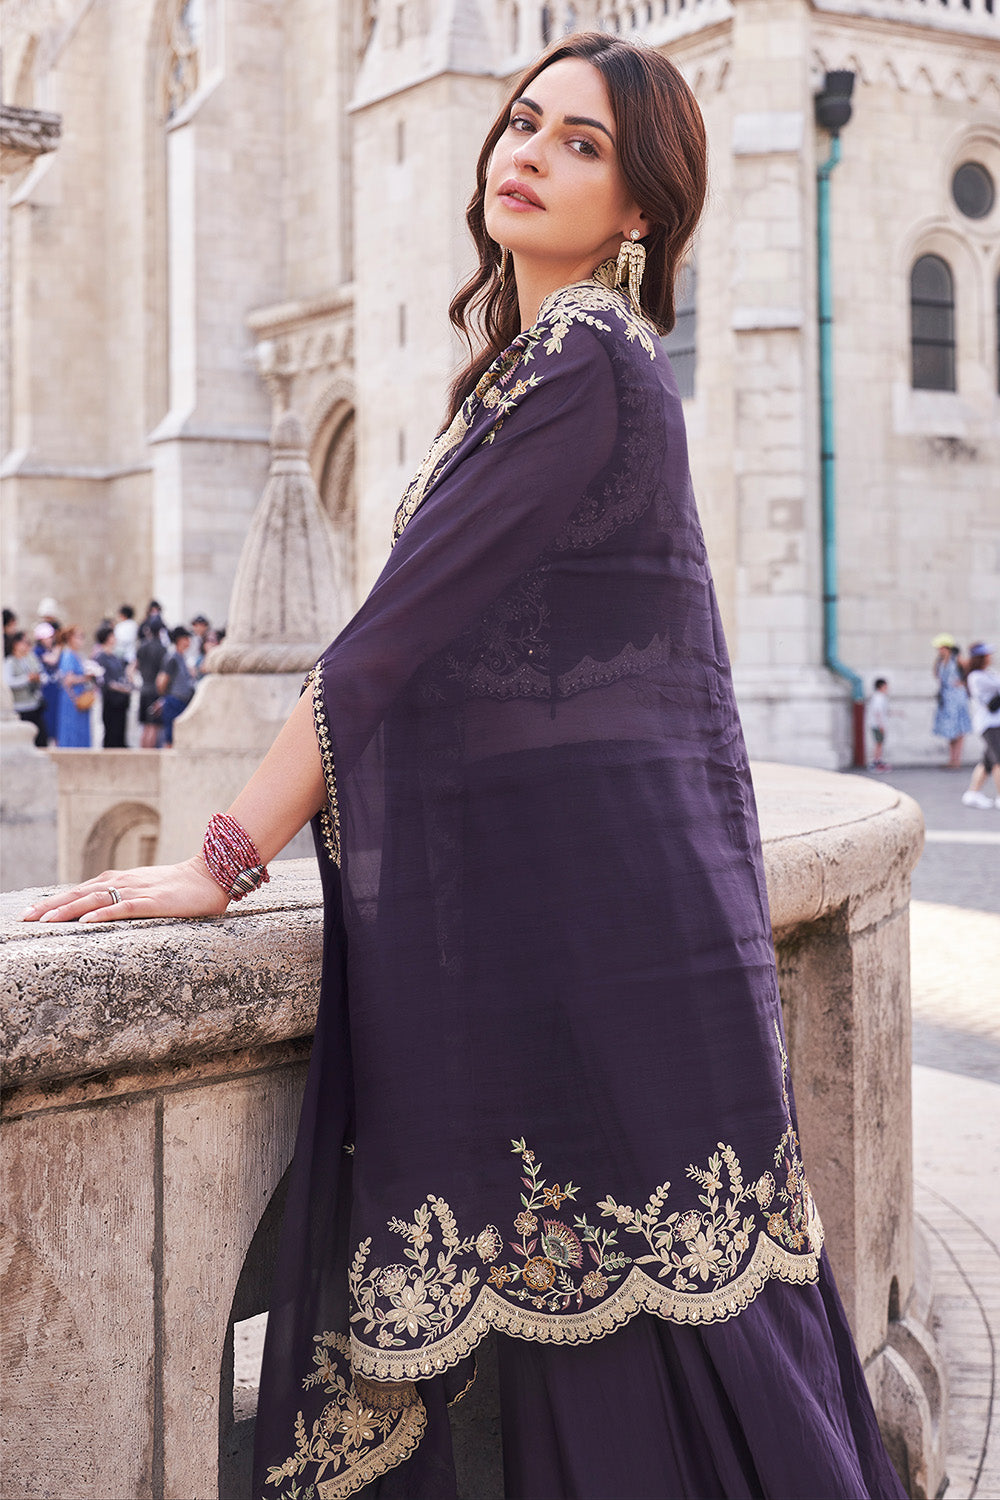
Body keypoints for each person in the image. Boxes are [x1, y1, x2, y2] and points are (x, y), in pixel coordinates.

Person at [20, 34, 907, 1500]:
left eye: (580, 144)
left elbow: (387, 643)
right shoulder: (550, 362)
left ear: (639, 208)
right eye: (522, 122)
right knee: (622, 1315)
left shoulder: (584, 361)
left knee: (651, 1325)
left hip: (607, 929)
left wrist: (221, 859)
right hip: (609, 911)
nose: (529, 153)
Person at [961, 642, 1000, 810]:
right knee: (999, 760)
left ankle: (973, 793)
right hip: (989, 724)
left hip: (995, 722)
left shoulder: (988, 674)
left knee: (987, 762)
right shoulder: (976, 677)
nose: (990, 657)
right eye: (986, 655)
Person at [931, 632, 970, 768]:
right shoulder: (940, 661)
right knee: (950, 730)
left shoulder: (958, 659)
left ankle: (956, 760)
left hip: (957, 698)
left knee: (959, 730)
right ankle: (952, 759)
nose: (939, 651)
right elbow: (937, 675)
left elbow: (970, 672)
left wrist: (963, 683)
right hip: (946, 699)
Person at [3, 631, 48, 745]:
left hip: (34, 705)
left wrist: (38, 678)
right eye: (24, 642)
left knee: (41, 740)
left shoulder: (31, 658)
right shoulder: (10, 662)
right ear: (15, 644)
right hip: (20, 707)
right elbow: (8, 682)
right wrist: (27, 679)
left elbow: (44, 676)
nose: (27, 645)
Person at [53, 624, 94, 748]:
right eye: (78, 636)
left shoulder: (76, 655)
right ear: (70, 638)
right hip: (73, 698)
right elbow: (68, 679)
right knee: (72, 727)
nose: (81, 640)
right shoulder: (68, 655)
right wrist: (86, 677)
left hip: (79, 695)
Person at [154, 625, 197, 745]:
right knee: (170, 737)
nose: (188, 641)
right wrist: (166, 697)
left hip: (183, 701)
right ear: (179, 640)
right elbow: (161, 681)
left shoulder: (182, 657)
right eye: (186, 638)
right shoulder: (172, 658)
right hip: (174, 701)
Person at [93, 624, 132, 749]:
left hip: (121, 700)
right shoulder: (101, 657)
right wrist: (122, 688)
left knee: (120, 732)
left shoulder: (115, 657)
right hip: (110, 700)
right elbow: (104, 681)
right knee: (111, 732)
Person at [135, 619, 168, 748]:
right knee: (153, 727)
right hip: (155, 691)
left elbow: (133, 667)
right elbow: (163, 675)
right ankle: (150, 756)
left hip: (144, 689)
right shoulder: (162, 649)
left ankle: (142, 755)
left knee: (145, 727)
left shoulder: (142, 646)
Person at [868, 676, 890, 771]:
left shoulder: (879, 697)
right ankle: (876, 762)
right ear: (881, 686)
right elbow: (877, 712)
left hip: (877, 724)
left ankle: (878, 760)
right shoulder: (878, 697)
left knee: (879, 743)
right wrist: (881, 724)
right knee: (878, 743)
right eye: (885, 686)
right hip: (877, 724)